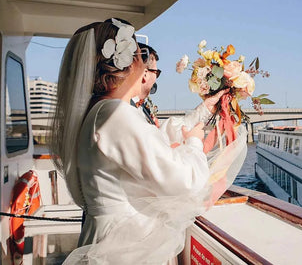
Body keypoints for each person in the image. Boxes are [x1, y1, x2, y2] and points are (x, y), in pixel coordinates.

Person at [50, 19, 244, 264]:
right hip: (123, 246)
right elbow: (185, 181)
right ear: (129, 62)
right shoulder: (115, 115)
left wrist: (204, 110)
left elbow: (151, 144)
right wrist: (194, 143)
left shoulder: (101, 112)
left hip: (108, 237)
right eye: (140, 56)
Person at [131, 42, 161, 126]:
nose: (156, 79)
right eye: (156, 72)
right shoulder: (126, 110)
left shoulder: (141, 107)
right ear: (145, 74)